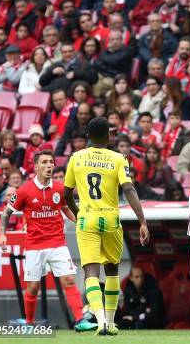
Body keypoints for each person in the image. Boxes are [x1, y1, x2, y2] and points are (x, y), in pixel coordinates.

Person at [63, 117, 150, 335]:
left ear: (88, 137)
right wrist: (142, 221)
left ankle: (100, 320)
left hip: (87, 218)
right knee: (112, 271)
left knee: (90, 271)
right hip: (111, 218)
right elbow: (129, 189)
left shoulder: (76, 157)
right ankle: (110, 323)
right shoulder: (118, 158)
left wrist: (78, 213)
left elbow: (66, 193)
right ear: (109, 136)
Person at [0, 150, 96, 332]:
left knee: (68, 279)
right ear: (36, 167)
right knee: (33, 287)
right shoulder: (25, 190)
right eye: (44, 162)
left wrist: (79, 220)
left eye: (51, 162)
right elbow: (6, 212)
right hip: (35, 246)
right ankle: (29, 323)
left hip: (58, 243)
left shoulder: (60, 187)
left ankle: (80, 320)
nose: (49, 165)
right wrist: (2, 234)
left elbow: (65, 208)